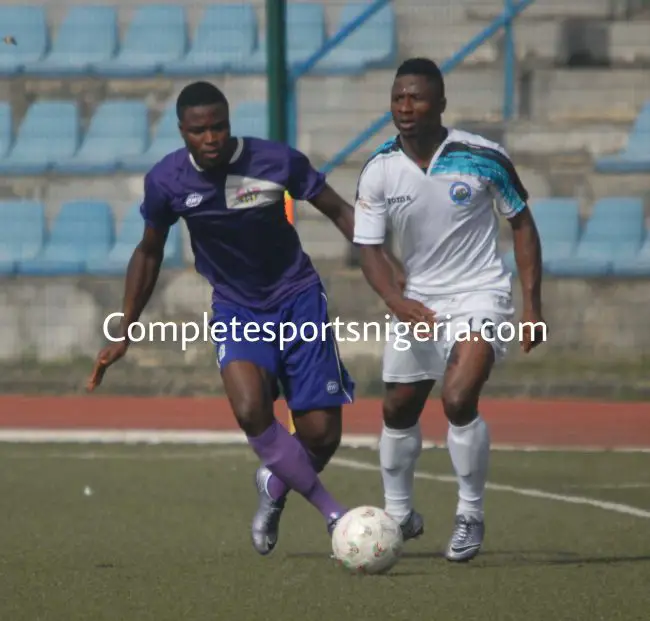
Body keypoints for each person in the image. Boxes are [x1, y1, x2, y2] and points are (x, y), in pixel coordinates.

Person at [86, 81, 401, 556]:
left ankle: (274, 484)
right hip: (237, 308)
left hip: (298, 299)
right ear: (182, 132)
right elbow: (148, 252)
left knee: (320, 436)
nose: (211, 138)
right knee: (251, 409)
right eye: (199, 130)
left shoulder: (275, 161)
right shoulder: (167, 181)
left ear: (229, 123)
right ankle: (334, 514)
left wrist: (385, 265)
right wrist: (125, 327)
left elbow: (339, 211)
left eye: (219, 127)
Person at [352, 58, 545, 562]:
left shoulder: (482, 157)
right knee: (397, 409)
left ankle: (470, 514)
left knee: (458, 398)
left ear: (440, 102)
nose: (405, 107)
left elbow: (522, 225)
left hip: (480, 293)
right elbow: (368, 248)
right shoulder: (379, 169)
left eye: (416, 98)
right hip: (419, 301)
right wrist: (396, 301)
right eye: (398, 98)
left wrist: (532, 306)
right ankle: (399, 516)